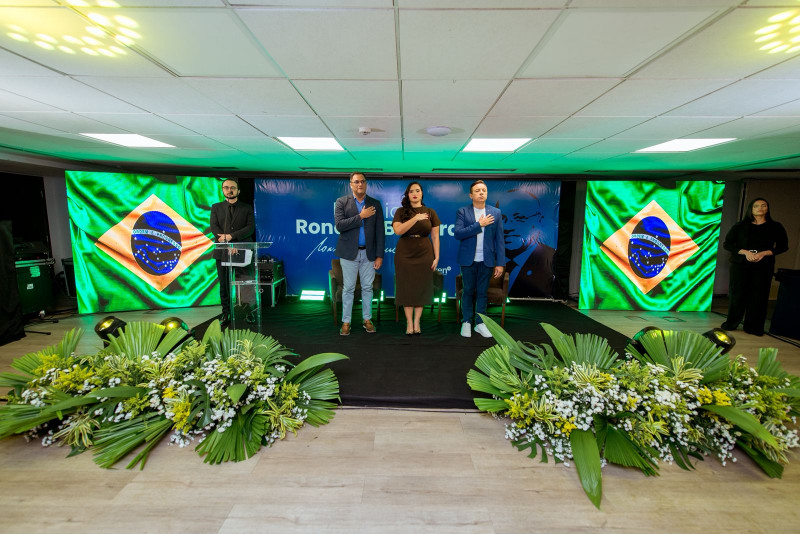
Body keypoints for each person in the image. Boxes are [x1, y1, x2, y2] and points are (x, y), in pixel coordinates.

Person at [722, 197, 788, 336]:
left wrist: (763, 253)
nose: (760, 208)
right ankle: (732, 323)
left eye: (763, 205)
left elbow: (783, 246)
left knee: (759, 296)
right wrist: (745, 252)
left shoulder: (775, 226)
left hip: (763, 266)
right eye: (756, 206)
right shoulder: (739, 226)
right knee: (738, 294)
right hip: (740, 265)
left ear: (767, 209)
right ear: (751, 209)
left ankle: (754, 327)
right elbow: (727, 244)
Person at [334, 172, 385, 336]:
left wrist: (379, 255)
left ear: (366, 184)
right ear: (351, 184)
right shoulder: (342, 202)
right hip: (349, 253)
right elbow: (340, 226)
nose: (360, 184)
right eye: (356, 182)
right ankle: (346, 322)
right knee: (348, 288)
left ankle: (367, 320)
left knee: (367, 288)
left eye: (362, 181)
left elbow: (380, 232)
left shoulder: (375, 204)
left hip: (369, 254)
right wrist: (361, 216)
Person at [454, 180, 506, 338]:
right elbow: (458, 234)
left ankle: (480, 323)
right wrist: (479, 224)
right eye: (477, 191)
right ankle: (466, 322)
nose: (481, 193)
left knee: (483, 292)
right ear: (471, 195)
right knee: (468, 291)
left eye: (484, 190)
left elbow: (500, 240)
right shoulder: (463, 211)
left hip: (487, 260)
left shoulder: (495, 212)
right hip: (468, 260)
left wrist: (500, 263)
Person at [392, 182, 440, 336]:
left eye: (417, 191)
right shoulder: (401, 211)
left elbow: (435, 237)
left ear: (422, 193)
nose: (414, 193)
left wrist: (437, 257)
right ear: (408, 194)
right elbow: (398, 230)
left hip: (424, 253)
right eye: (411, 191)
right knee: (407, 288)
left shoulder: (430, 212)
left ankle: (417, 322)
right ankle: (409, 322)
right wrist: (415, 218)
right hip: (404, 253)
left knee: (421, 288)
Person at [210, 178, 254, 323]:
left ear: (238, 191)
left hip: (242, 251)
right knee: (224, 284)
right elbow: (214, 227)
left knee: (245, 283)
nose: (229, 190)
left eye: (233, 188)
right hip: (223, 252)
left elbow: (250, 228)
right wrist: (227, 242)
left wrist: (232, 237)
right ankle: (226, 313)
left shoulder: (247, 208)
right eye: (226, 187)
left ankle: (249, 311)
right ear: (223, 190)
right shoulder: (216, 207)